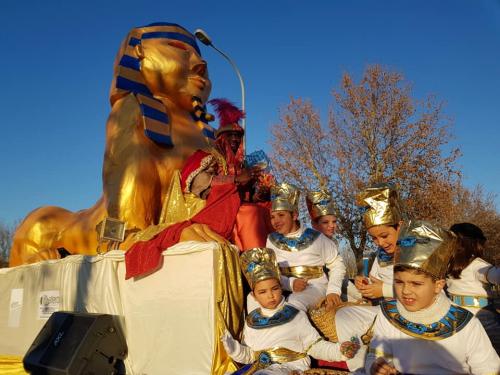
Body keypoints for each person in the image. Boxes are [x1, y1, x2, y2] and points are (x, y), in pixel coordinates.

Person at [366, 220, 500, 375]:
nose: (406, 291)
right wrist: (375, 366)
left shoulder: (467, 324)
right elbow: (376, 354)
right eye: (398, 282)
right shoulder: (388, 314)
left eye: (416, 283)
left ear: (438, 285)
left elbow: (488, 369)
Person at [222, 247, 360, 374]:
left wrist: (339, 350)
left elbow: (314, 346)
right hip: (261, 369)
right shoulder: (251, 321)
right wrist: (233, 349)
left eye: (275, 289)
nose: (270, 295)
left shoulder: (294, 314)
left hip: (292, 368)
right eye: (263, 292)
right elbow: (250, 355)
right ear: (254, 296)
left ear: (281, 287)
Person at [260, 182, 345, 313]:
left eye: (281, 215)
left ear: (294, 215)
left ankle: (311, 334)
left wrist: (333, 291)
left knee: (295, 303)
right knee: (253, 301)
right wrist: (290, 283)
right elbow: (270, 272)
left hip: (313, 287)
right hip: (280, 288)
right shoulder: (271, 240)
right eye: (272, 217)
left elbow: (336, 264)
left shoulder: (317, 238)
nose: (275, 221)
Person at [209, 98, 273, 251]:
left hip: (240, 206)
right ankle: (257, 264)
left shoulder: (244, 165)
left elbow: (249, 196)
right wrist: (236, 179)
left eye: (238, 136)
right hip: (217, 208)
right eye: (230, 135)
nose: (235, 139)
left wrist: (261, 193)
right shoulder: (210, 157)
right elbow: (203, 182)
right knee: (250, 212)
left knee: (272, 211)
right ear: (220, 137)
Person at [446, 222, 500, 354]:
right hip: (482, 319)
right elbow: (497, 276)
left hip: (455, 318)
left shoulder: (447, 266)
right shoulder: (478, 266)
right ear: (476, 245)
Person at [354, 183, 403, 301]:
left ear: (399, 226)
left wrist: (384, 290)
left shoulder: (415, 252)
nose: (380, 243)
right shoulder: (381, 254)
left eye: (384, 236)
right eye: (374, 238)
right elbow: (375, 280)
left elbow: (425, 291)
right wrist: (365, 283)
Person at [306, 189, 358, 284]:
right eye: (325, 222)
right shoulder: (309, 245)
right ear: (314, 224)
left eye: (334, 221)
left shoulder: (333, 242)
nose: (332, 226)